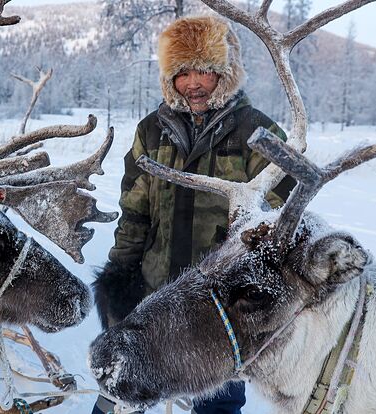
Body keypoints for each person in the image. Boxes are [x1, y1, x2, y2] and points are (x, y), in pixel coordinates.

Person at [91, 14, 295, 414]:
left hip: (219, 307)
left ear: (226, 73)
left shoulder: (258, 133)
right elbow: (135, 212)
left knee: (217, 403)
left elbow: (283, 217)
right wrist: (119, 277)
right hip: (155, 288)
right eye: (182, 72)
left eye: (205, 70)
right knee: (121, 390)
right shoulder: (151, 130)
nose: (194, 83)